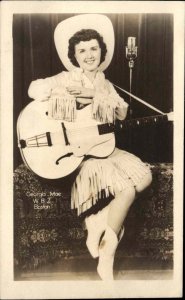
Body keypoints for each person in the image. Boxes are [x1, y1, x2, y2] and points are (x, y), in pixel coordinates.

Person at [28, 14, 152, 280]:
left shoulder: (105, 83)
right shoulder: (66, 77)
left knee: (144, 177)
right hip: (80, 155)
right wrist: (59, 94)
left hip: (104, 148)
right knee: (127, 189)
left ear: (101, 51)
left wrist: (100, 95)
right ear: (74, 55)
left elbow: (121, 114)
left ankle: (97, 221)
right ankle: (107, 252)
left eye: (93, 48)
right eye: (81, 50)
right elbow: (33, 88)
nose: (88, 55)